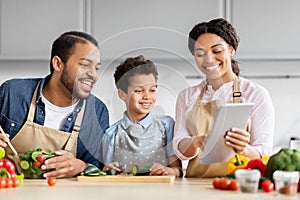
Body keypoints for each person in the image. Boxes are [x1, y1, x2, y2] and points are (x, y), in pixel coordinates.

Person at [173, 18, 275, 177]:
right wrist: (195, 143)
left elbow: (265, 152)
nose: (209, 59)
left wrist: (244, 149)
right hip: (195, 185)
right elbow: (179, 148)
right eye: (200, 54)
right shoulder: (186, 96)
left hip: (238, 184)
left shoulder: (255, 93)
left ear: (231, 50)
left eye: (217, 51)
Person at [0, 31, 109, 178]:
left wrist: (81, 166)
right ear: (58, 64)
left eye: (96, 68)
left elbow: (101, 169)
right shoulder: (11, 93)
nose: (94, 76)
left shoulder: (97, 111)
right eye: (84, 65)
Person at [100, 55, 182, 177]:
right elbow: (106, 173)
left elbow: (177, 170)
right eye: (139, 91)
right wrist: (106, 171)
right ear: (122, 94)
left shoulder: (166, 125)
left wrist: (169, 171)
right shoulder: (111, 135)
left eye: (152, 90)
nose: (147, 96)